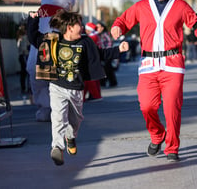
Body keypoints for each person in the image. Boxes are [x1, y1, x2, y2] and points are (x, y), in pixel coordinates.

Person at [111, 0, 197, 162]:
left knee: (171, 108)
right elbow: (123, 20)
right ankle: (158, 135)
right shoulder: (141, 6)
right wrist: (117, 26)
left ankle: (172, 148)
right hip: (148, 64)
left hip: (173, 64)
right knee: (146, 106)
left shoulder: (181, 6)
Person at [27, 9, 129, 166]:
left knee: (76, 120)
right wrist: (32, 20)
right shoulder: (52, 40)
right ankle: (57, 148)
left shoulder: (85, 42)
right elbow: (33, 37)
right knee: (58, 117)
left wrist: (118, 50)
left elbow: (100, 54)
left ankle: (70, 136)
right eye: (79, 25)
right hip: (57, 86)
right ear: (69, 27)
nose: (81, 28)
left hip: (76, 88)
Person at [83, 22, 103, 101]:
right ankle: (95, 95)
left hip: (90, 60)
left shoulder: (91, 37)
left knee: (89, 80)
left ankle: (95, 95)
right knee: (93, 80)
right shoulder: (96, 36)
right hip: (95, 59)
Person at [96, 21, 118, 87]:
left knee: (107, 69)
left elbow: (109, 43)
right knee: (105, 69)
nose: (97, 29)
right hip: (102, 53)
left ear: (102, 28)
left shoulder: (105, 35)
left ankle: (111, 82)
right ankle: (105, 82)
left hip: (107, 54)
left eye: (98, 27)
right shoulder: (98, 35)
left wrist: (108, 52)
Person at [16, 24, 30, 94]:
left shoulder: (19, 38)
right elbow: (25, 48)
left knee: (23, 73)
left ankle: (24, 87)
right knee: (26, 72)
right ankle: (27, 88)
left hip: (22, 56)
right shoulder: (24, 37)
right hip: (24, 56)